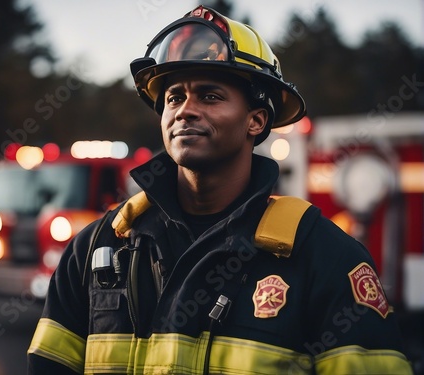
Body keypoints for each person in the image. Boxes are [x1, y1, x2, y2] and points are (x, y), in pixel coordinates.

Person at [27, 5, 413, 374]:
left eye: (210, 96)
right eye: (174, 97)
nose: (185, 109)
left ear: (256, 121)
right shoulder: (99, 248)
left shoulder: (325, 258)